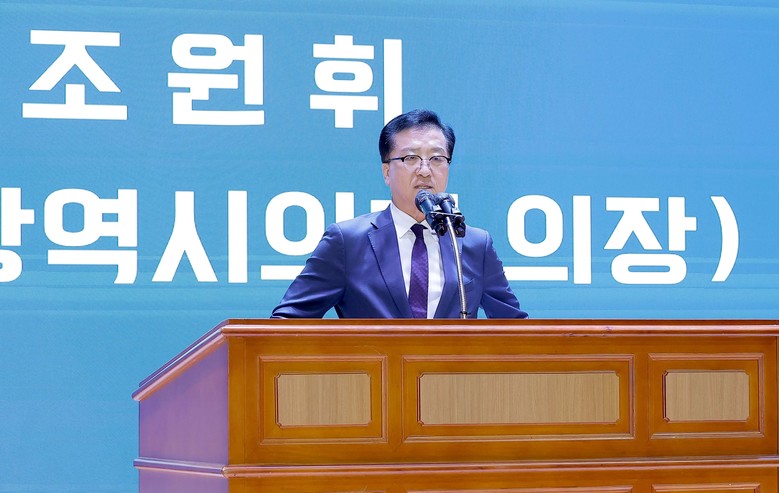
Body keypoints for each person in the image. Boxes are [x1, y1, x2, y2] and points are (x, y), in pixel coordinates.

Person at [271, 109, 527, 319]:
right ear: (387, 172)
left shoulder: (475, 244)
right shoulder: (347, 242)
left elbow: (516, 330)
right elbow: (286, 323)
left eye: (437, 159)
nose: (425, 170)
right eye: (411, 158)